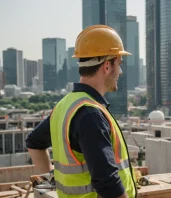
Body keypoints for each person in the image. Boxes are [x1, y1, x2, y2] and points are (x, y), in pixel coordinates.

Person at [25, 25, 137, 198]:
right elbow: (107, 182)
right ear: (107, 66)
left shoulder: (65, 105)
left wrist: (51, 178)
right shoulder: (90, 114)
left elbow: (34, 143)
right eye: (119, 64)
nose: (120, 72)